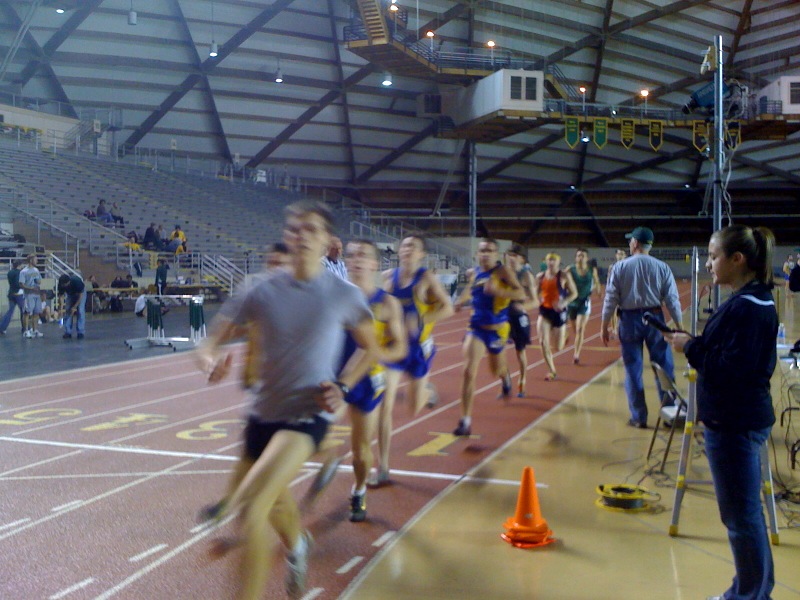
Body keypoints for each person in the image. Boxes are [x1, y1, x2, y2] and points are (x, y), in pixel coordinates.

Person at [193, 200, 378, 600]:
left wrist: (344, 386)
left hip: (307, 413)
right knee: (275, 503)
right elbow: (210, 341)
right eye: (294, 229)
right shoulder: (259, 289)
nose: (301, 236)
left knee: (252, 508)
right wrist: (210, 362)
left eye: (311, 229)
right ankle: (298, 546)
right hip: (262, 414)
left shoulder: (343, 294)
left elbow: (371, 348)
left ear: (328, 241)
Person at [665, 225, 777, 600]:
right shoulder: (750, 300)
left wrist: (690, 348)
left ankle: (749, 595)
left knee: (741, 517)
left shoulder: (747, 307)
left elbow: (730, 369)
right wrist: (693, 343)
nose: (709, 264)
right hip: (738, 419)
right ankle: (752, 590)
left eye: (714, 257)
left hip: (734, 423)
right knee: (746, 515)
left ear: (737, 259)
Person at [374, 235, 453, 485]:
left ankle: (427, 391)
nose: (408, 249)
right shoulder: (387, 277)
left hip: (418, 348)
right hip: (394, 347)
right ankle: (383, 466)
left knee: (413, 408)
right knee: (384, 406)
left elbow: (448, 308)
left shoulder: (426, 278)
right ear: (399, 251)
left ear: (422, 254)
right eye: (405, 245)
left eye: (413, 247)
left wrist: (421, 320)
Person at [341, 239, 406, 521]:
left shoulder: (387, 303)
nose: (355, 260)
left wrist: (377, 353)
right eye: (351, 255)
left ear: (374, 264)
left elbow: (400, 347)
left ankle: (359, 489)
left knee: (360, 450)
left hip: (367, 379)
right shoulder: (333, 298)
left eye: (362, 255)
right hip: (332, 376)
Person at [601, 226, 683, 428]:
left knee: (633, 369)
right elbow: (672, 299)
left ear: (636, 243)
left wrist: (604, 325)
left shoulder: (620, 267)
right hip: (655, 319)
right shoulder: (662, 267)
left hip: (629, 320)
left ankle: (639, 417)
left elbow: (611, 298)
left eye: (630, 241)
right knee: (664, 367)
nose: (629, 244)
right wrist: (679, 326)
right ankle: (670, 414)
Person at [452, 239, 524, 436]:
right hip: (475, 328)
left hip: (497, 330)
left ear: (496, 254)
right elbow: (470, 289)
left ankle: (505, 376)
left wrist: (498, 290)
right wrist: (460, 301)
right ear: (477, 254)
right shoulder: (474, 273)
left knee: (496, 370)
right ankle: (465, 421)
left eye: (489, 251)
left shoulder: (503, 272)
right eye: (482, 250)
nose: (485, 254)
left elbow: (520, 293)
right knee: (468, 371)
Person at [533, 253, 578, 381]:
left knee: (558, 347)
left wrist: (564, 302)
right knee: (543, 342)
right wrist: (537, 298)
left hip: (559, 312)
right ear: (546, 262)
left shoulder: (564, 276)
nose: (551, 262)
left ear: (558, 262)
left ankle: (564, 334)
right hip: (545, 311)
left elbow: (574, 293)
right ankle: (552, 371)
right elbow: (535, 293)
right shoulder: (540, 276)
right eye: (549, 260)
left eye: (553, 260)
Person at [504, 244, 537, 397]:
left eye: (514, 255)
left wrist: (523, 307)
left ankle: (522, 380)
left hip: (518, 317)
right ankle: (505, 380)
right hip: (503, 316)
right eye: (509, 255)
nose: (511, 258)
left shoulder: (526, 275)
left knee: (520, 351)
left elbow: (535, 301)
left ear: (522, 259)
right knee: (497, 350)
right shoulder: (502, 273)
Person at [567, 248, 600, 364]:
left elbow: (596, 280)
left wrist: (598, 290)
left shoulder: (591, 269)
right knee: (575, 329)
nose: (580, 258)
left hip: (584, 302)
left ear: (587, 258)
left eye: (583, 255)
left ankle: (576, 354)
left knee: (580, 329)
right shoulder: (570, 269)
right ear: (575, 258)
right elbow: (562, 281)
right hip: (572, 303)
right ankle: (573, 338)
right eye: (579, 255)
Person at [19, 254, 43, 339]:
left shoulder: (36, 270)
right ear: (30, 260)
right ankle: (26, 331)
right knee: (27, 312)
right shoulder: (23, 272)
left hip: (37, 294)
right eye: (35, 259)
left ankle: (35, 330)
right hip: (28, 294)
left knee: (36, 312)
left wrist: (38, 281)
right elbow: (21, 284)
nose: (37, 261)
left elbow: (39, 281)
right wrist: (31, 288)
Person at [58, 273, 87, 339]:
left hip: (80, 293)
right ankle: (68, 332)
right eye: (62, 285)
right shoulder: (61, 284)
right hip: (70, 294)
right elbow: (61, 297)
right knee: (68, 310)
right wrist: (61, 309)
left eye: (64, 285)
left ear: (68, 282)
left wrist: (75, 307)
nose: (63, 286)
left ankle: (80, 332)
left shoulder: (77, 282)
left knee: (80, 310)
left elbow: (80, 296)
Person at [0, 260, 24, 335]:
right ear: (19, 265)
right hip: (18, 294)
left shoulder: (10, 272)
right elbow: (18, 283)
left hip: (11, 293)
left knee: (10, 311)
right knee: (23, 311)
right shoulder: (19, 273)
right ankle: (25, 327)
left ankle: (2, 327)